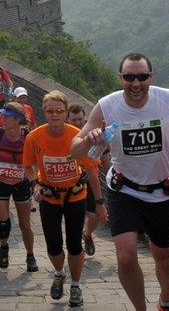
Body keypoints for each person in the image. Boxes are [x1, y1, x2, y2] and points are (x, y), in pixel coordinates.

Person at [71, 52, 169, 311]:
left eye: (142, 77)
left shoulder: (166, 99)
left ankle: (165, 300)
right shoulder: (107, 106)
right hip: (125, 189)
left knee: (164, 256)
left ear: (151, 77)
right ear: (120, 78)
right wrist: (89, 140)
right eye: (130, 77)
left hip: (161, 190)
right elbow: (75, 149)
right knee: (125, 256)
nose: (136, 83)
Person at [23, 91, 104, 308]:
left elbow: (91, 170)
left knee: (74, 244)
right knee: (53, 245)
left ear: (66, 112)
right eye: (50, 111)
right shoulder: (34, 137)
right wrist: (35, 185)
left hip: (75, 195)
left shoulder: (76, 136)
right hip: (49, 197)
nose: (55, 115)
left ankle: (76, 286)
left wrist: (99, 202)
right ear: (44, 112)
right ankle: (59, 273)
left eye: (59, 111)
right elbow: (28, 166)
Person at [0, 102, 39, 273]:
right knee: (4, 224)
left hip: (21, 183)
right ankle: (4, 247)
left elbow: (38, 160)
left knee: (25, 224)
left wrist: (36, 181)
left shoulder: (29, 137)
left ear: (18, 119)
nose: (3, 119)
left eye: (7, 116)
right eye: (3, 115)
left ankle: (30, 255)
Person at [68, 103, 105, 257]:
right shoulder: (67, 135)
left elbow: (106, 156)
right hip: (71, 181)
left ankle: (87, 234)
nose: (77, 123)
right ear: (67, 120)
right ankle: (75, 251)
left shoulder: (94, 134)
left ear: (85, 119)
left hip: (90, 179)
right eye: (73, 120)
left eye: (80, 119)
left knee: (94, 216)